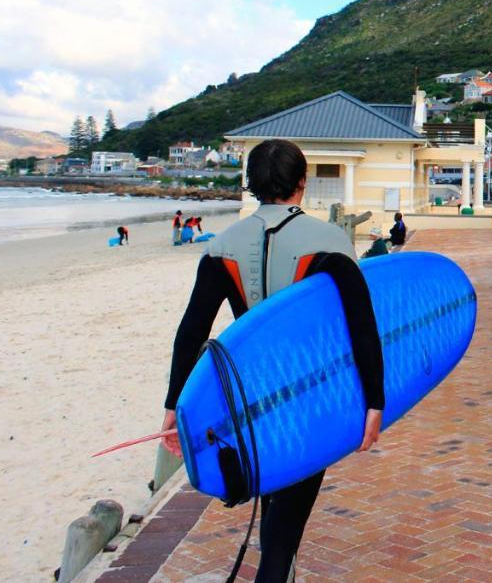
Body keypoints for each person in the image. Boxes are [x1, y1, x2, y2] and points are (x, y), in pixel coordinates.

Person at [159, 139, 385, 581]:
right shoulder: (331, 241)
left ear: (252, 185)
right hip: (308, 393)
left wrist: (174, 404)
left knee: (275, 496)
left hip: (248, 396)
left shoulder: (222, 245)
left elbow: (191, 333)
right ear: (302, 183)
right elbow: (361, 326)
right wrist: (374, 401)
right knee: (283, 531)